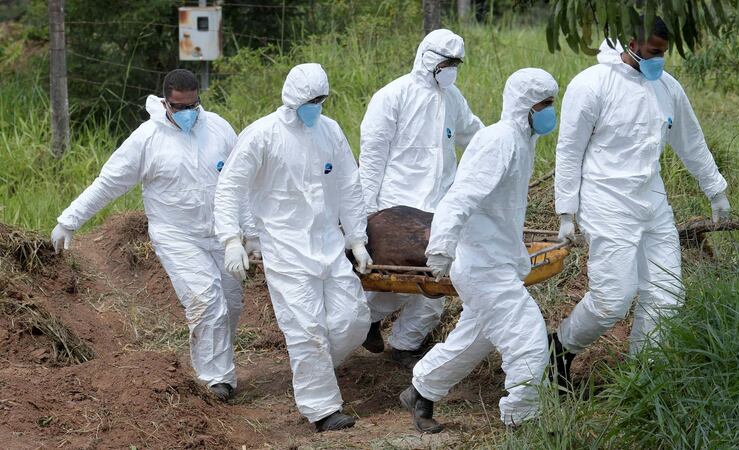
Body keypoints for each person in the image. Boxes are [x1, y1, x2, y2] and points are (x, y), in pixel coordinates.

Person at [50, 69, 260, 401]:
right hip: (177, 235)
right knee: (206, 301)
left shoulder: (219, 129)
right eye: (179, 107)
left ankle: (220, 364)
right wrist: (69, 220)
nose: (188, 114)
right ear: (165, 102)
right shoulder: (147, 139)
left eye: (193, 105)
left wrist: (249, 234)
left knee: (231, 304)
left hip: (221, 234)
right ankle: (215, 380)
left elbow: (240, 185)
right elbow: (109, 184)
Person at [550, 17, 732, 389]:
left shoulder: (666, 87)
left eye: (664, 54)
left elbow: (691, 141)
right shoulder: (591, 85)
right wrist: (566, 211)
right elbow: (568, 151)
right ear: (630, 42)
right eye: (653, 53)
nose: (659, 61)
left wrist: (716, 189)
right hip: (605, 201)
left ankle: (643, 379)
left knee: (666, 294)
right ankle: (559, 349)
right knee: (613, 300)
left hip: (652, 201)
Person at [213, 63, 373, 432]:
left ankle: (312, 369)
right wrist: (231, 239)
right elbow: (230, 187)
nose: (317, 106)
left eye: (322, 99)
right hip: (285, 251)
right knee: (307, 329)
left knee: (354, 320)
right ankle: (322, 409)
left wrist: (357, 238)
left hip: (329, 246)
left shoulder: (329, 131)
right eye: (311, 100)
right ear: (294, 98)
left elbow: (350, 185)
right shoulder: (262, 135)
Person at [399, 68, 559, 432]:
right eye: (543, 104)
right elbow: (460, 197)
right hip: (483, 267)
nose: (550, 111)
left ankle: (420, 391)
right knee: (529, 341)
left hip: (498, 261)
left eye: (551, 103)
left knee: (473, 339)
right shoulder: (499, 140)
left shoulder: (522, 140)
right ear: (524, 106)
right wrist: (440, 247)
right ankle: (523, 423)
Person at [358, 29, 484, 367]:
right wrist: (365, 216)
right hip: (395, 211)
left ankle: (404, 346)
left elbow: (475, 133)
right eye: (446, 62)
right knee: (397, 283)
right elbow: (371, 159)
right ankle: (364, 322)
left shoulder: (453, 99)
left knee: (435, 288)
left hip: (437, 212)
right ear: (427, 59)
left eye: (456, 63)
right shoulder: (392, 96)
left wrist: (503, 148)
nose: (451, 69)